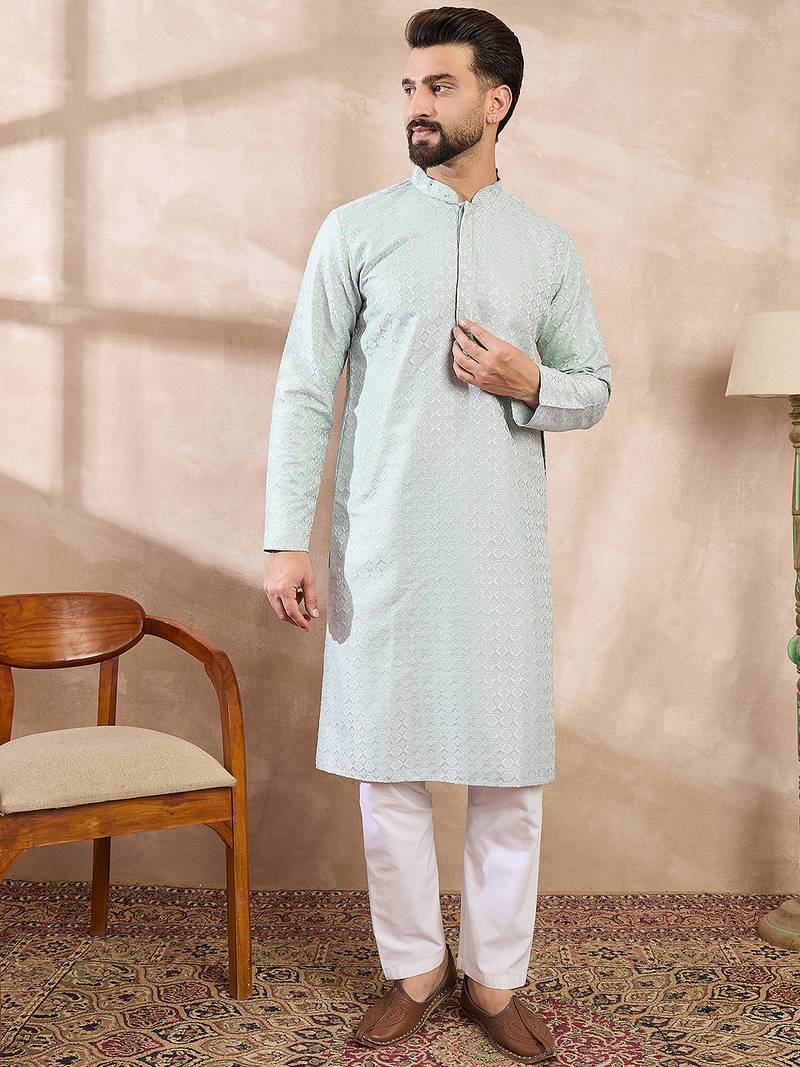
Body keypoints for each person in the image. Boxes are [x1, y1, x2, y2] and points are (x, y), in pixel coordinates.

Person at [262, 6, 612, 1061]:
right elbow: (305, 390)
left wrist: (529, 379)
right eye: (410, 88)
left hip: (500, 551)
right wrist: (286, 538)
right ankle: (414, 967)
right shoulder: (356, 230)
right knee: (389, 770)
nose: (416, 105)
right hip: (383, 543)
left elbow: (593, 387)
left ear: (496, 101)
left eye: (440, 86)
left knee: (508, 778)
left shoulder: (544, 245)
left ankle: (495, 980)